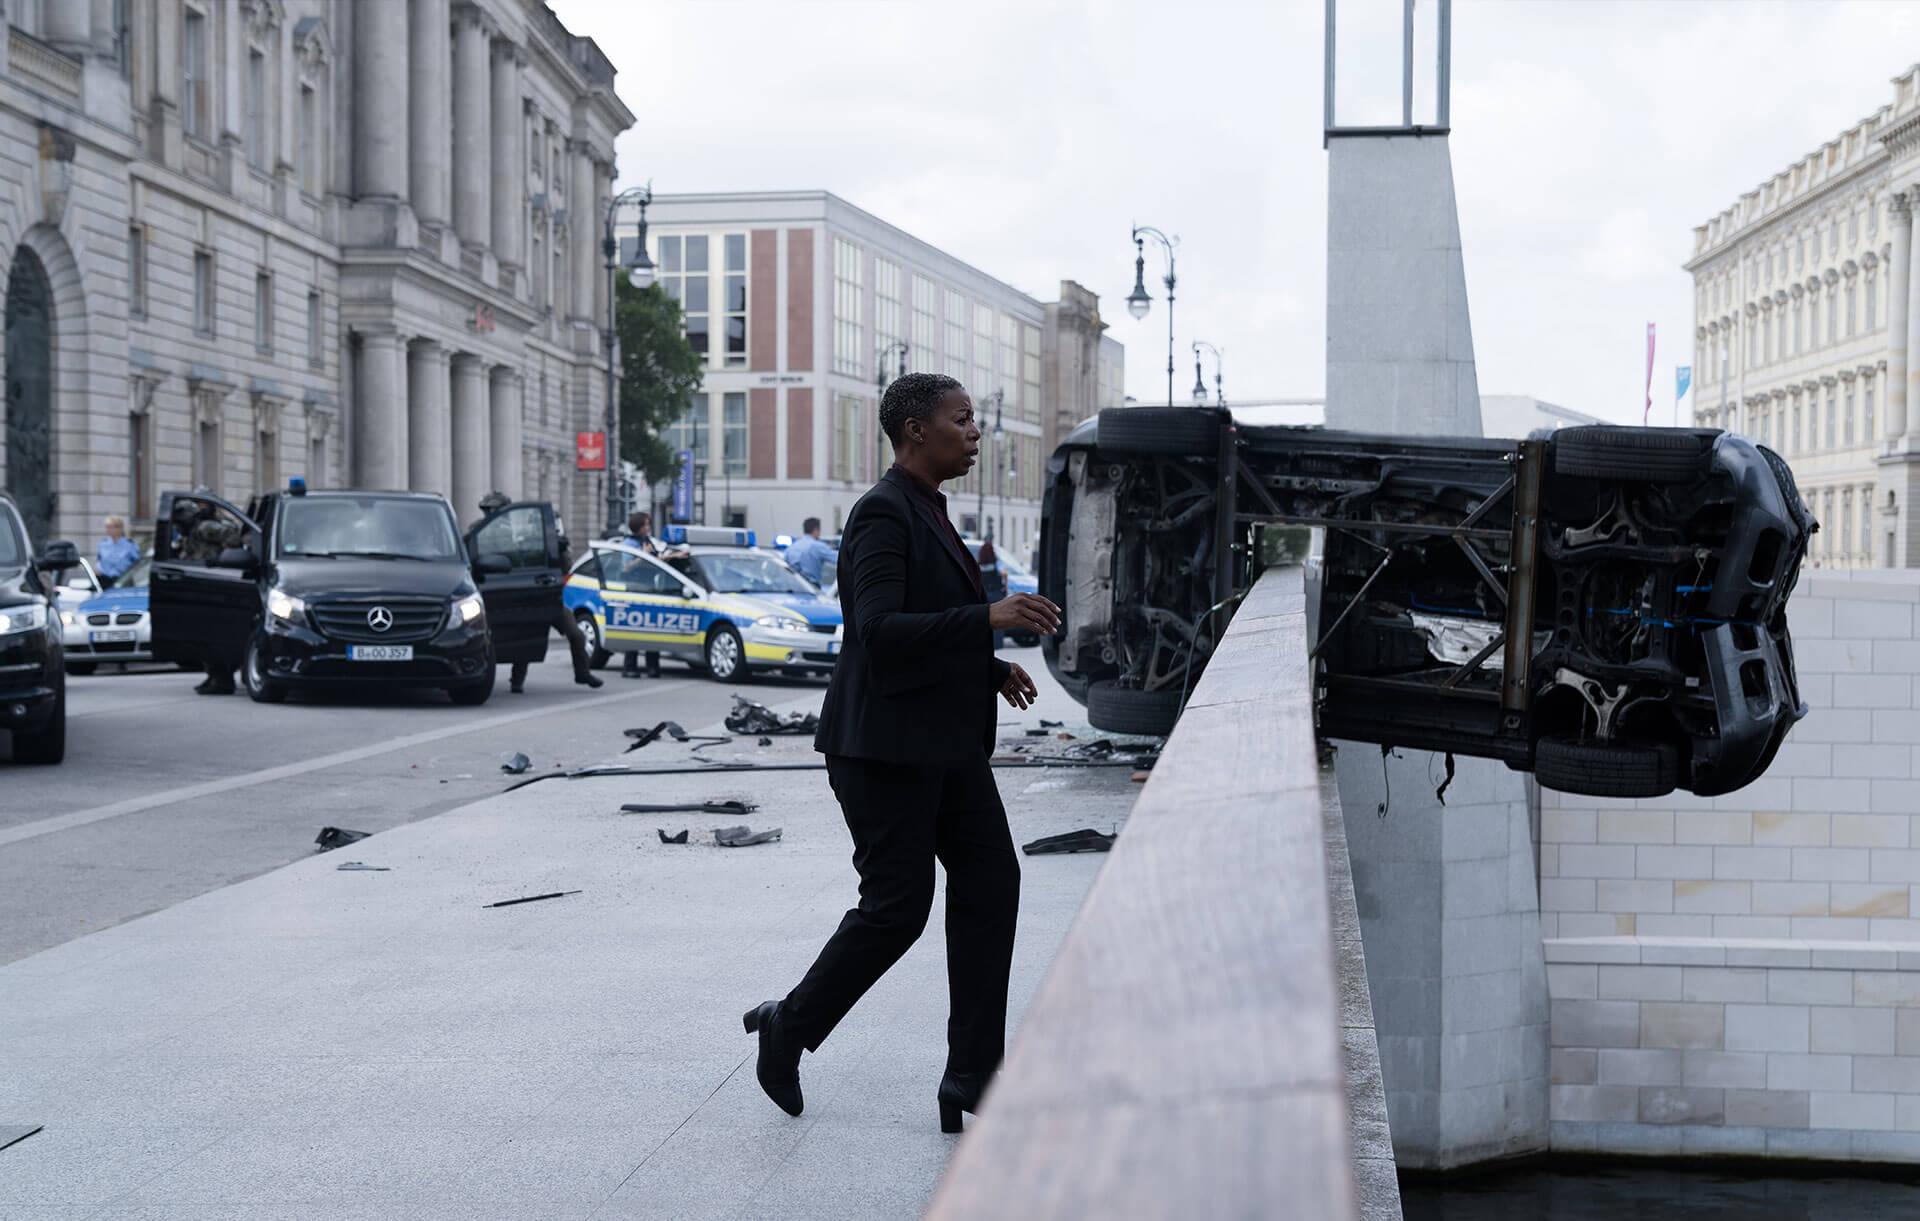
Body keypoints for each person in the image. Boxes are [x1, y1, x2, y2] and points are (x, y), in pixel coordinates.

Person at [742, 373, 1062, 1134]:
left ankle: (971, 1074)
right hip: (882, 748)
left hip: (944, 744)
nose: (975, 431)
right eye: (962, 418)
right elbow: (879, 631)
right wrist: (987, 618)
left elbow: (926, 619)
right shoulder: (883, 512)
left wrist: (988, 668)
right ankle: (788, 1025)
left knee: (992, 881)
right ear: (916, 430)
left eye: (974, 419)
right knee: (898, 908)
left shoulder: (931, 509)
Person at [474, 491, 603, 695]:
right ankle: (517, 680)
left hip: (545, 596)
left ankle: (582, 673)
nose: (492, 513)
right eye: (490, 510)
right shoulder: (481, 534)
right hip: (512, 596)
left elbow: (563, 569)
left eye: (496, 509)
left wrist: (561, 550)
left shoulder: (525, 539)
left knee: (576, 635)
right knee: (525, 635)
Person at [619, 510, 663, 680]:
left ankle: (652, 666)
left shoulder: (648, 541)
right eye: (646, 524)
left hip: (651, 588)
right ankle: (630, 666)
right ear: (638, 526)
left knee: (652, 628)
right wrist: (642, 556)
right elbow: (625, 567)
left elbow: (656, 559)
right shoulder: (629, 543)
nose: (648, 527)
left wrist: (674, 556)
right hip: (635, 588)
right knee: (635, 627)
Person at [784, 517, 837, 586]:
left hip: (793, 587)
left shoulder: (791, 548)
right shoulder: (818, 546)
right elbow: (839, 559)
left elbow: (785, 567)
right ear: (816, 530)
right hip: (812, 587)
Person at [977, 538, 1008, 649]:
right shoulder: (996, 565)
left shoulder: (979, 566)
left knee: (985, 620)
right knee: (999, 620)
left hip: (984, 596)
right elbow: (1004, 575)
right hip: (996, 595)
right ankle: (997, 644)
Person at [96, 515, 140, 586]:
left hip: (123, 580)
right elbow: (99, 560)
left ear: (119, 528)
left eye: (110, 527)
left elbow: (137, 563)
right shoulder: (103, 544)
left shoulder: (130, 544)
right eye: (107, 527)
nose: (107, 529)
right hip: (104, 580)